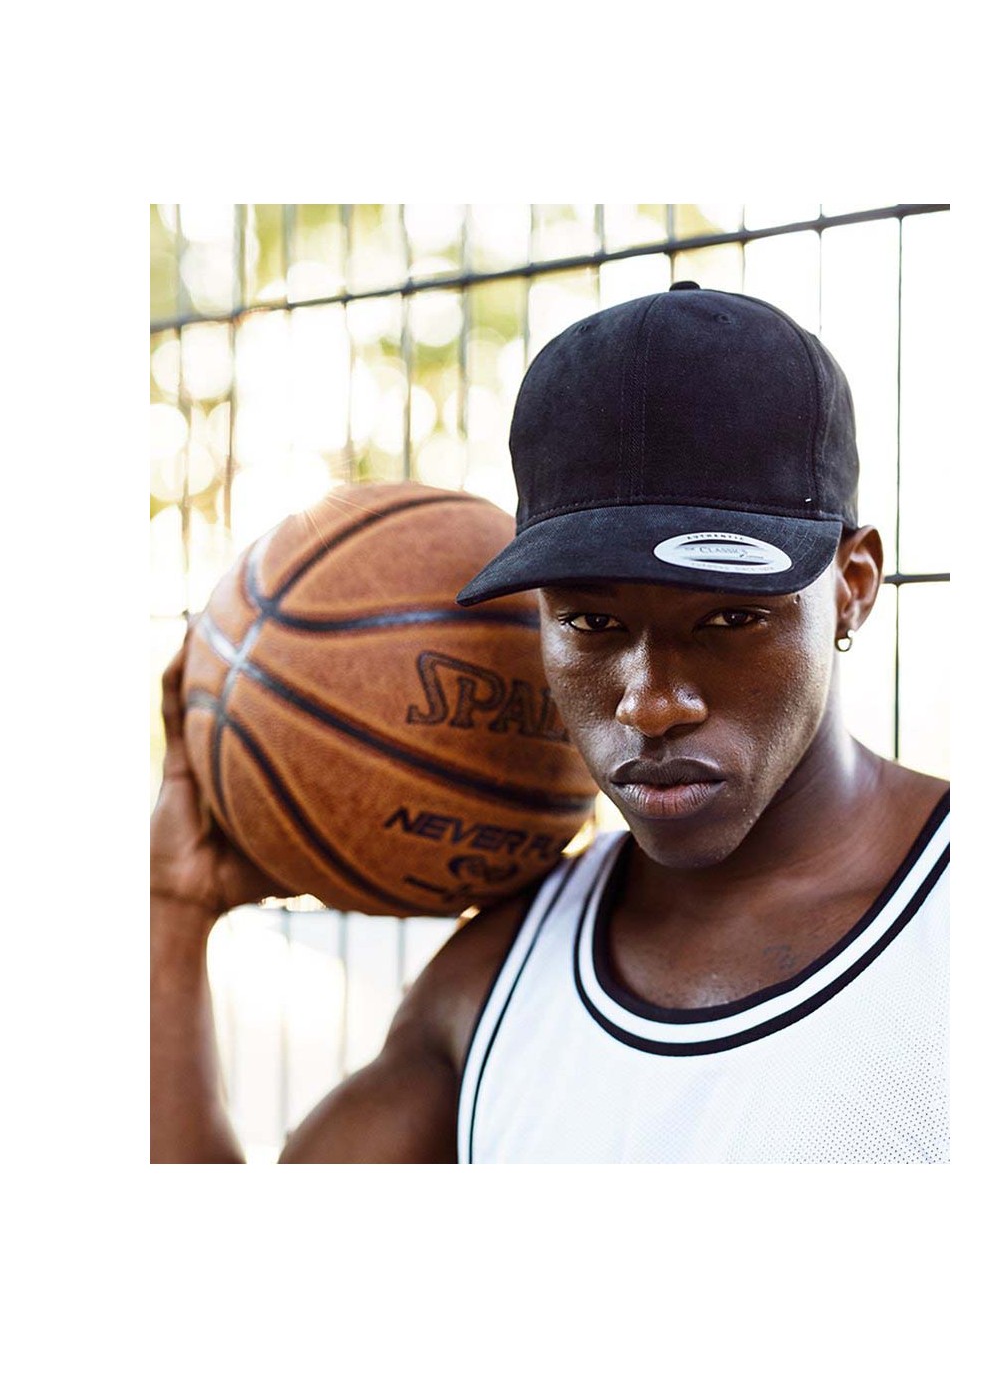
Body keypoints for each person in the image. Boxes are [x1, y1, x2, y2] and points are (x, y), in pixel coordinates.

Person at [151, 283, 949, 1164]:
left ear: (853, 585)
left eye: (730, 618)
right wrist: (171, 905)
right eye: (590, 622)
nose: (650, 704)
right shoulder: (494, 976)